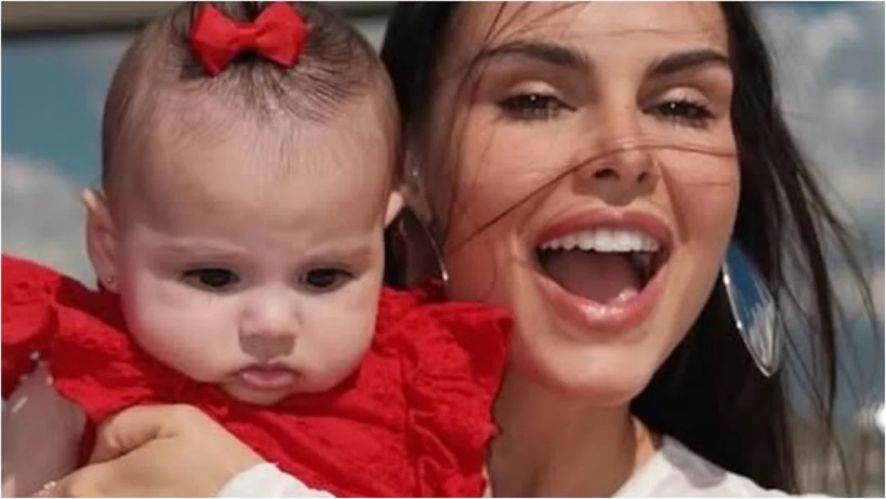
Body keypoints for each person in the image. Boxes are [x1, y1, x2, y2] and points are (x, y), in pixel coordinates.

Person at [37, 2, 878, 497]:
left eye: (684, 106)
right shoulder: (103, 437)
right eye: (537, 98)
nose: (627, 152)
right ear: (407, 170)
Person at [0, 2, 512, 497]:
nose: (272, 324)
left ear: (381, 231)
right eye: (215, 276)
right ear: (108, 246)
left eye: (323, 277)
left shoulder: (423, 384)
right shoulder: (79, 379)